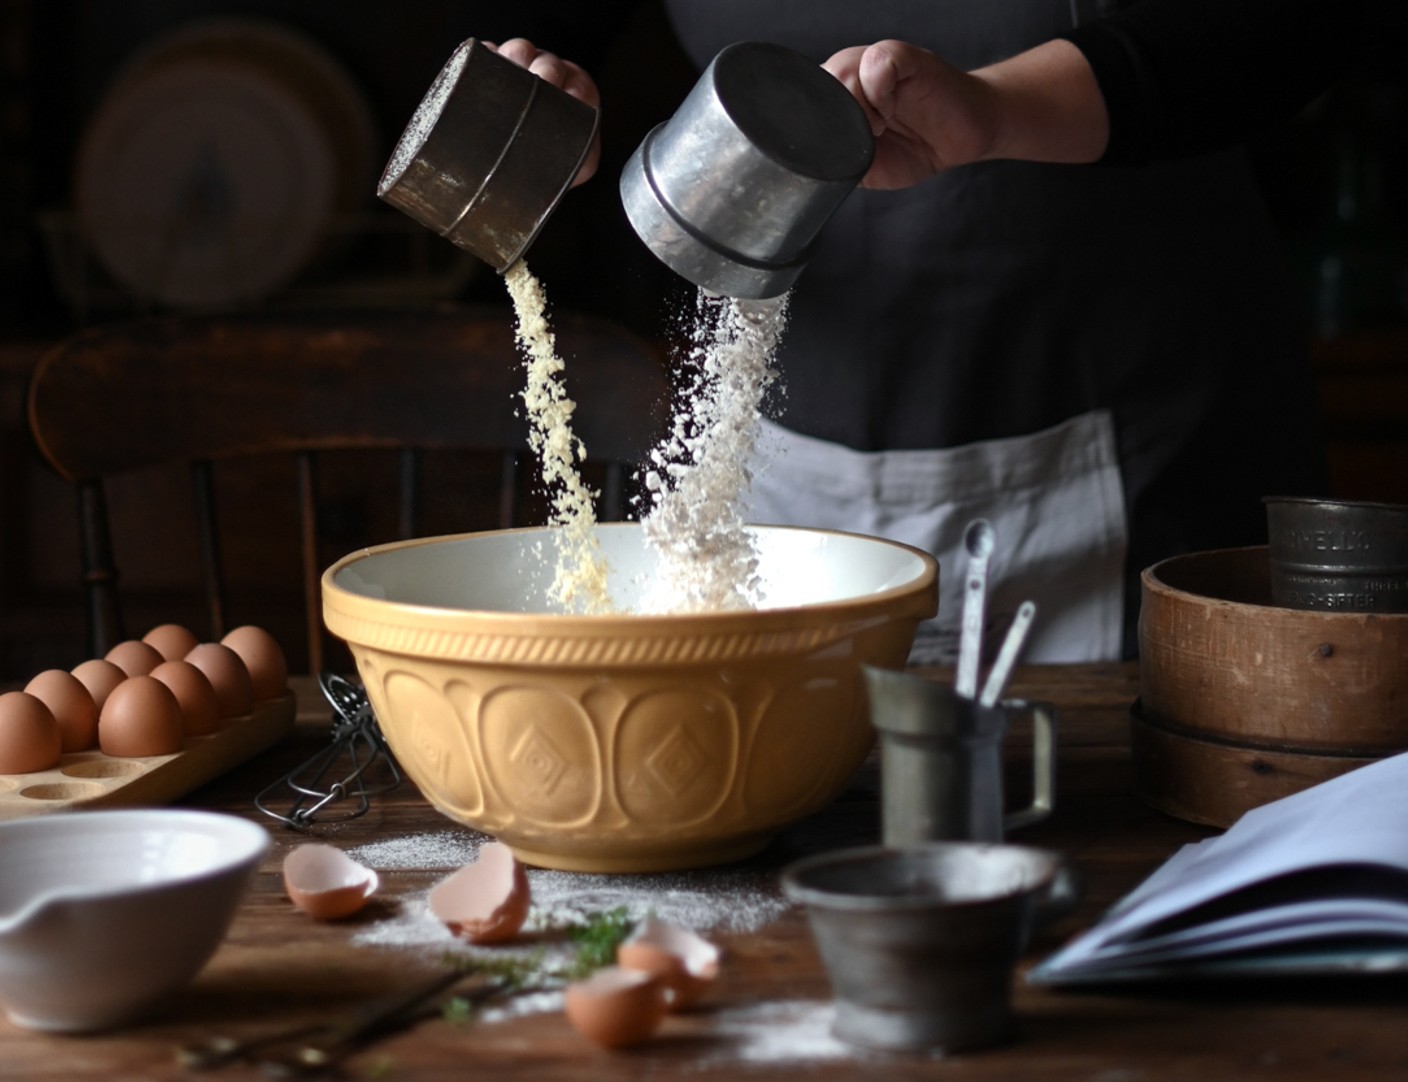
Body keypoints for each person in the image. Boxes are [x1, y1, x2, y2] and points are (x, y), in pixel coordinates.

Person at [487, 0, 1367, 662]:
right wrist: (531, 68)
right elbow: (536, 18)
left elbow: (1292, 23)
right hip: (787, 402)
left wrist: (995, 108)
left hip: (1133, 402)